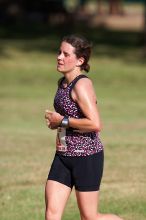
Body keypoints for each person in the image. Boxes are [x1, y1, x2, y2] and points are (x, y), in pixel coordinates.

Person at [45, 35, 123, 220]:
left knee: (90, 217)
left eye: (65, 54)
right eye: (59, 52)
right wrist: (57, 124)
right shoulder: (62, 83)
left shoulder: (82, 84)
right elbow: (67, 121)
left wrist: (62, 120)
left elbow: (95, 124)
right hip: (63, 156)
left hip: (86, 158)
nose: (59, 57)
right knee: (51, 214)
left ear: (80, 60)